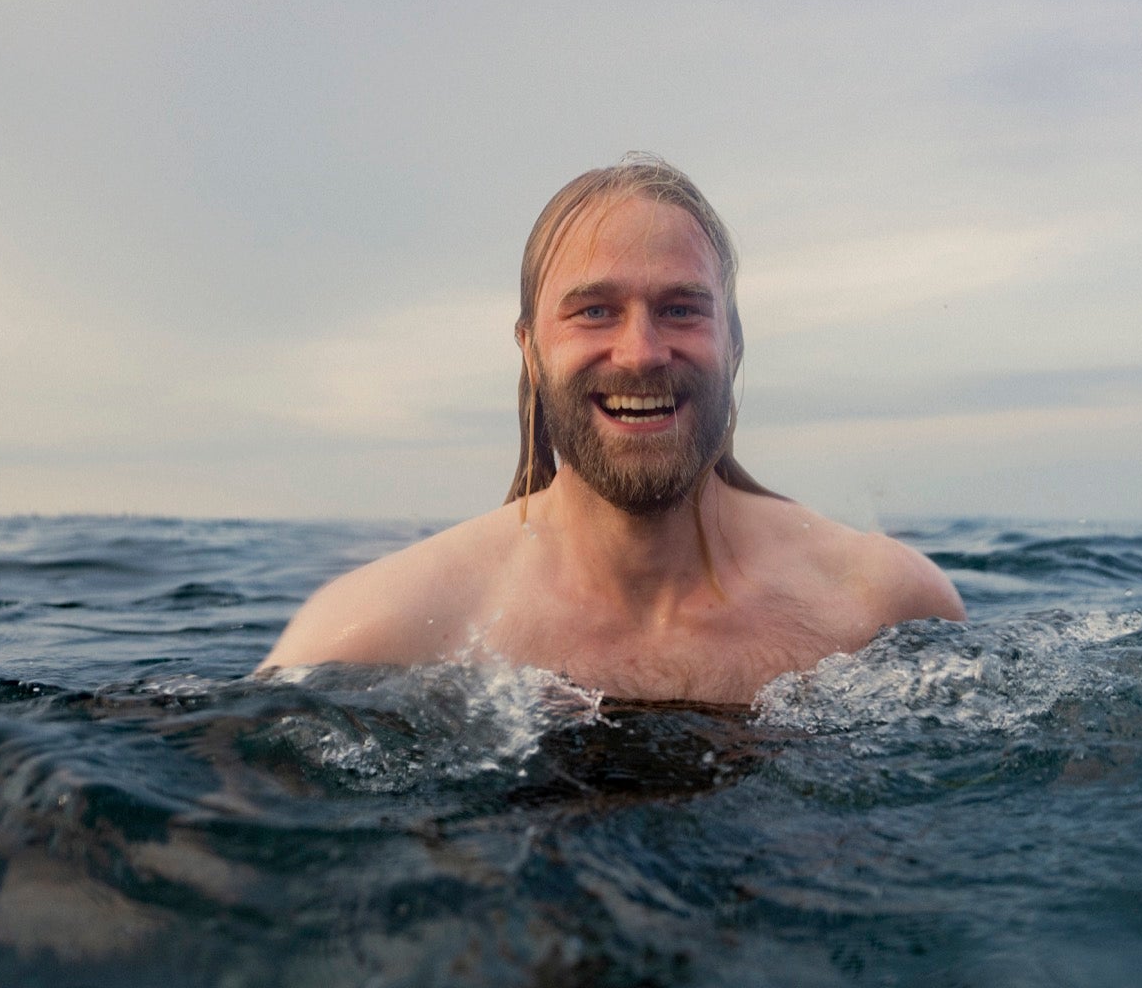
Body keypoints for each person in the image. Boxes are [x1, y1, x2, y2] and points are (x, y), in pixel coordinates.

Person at [262, 155, 964, 704]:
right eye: (594, 310)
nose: (642, 352)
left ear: (735, 345)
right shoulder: (379, 633)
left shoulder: (882, 604)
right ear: (530, 351)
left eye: (681, 308)